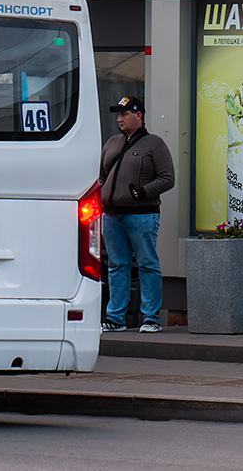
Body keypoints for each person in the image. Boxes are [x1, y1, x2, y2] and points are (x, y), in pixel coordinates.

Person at [99, 95, 174, 333]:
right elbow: (102, 176)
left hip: (142, 215)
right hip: (111, 215)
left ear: (138, 115)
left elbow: (167, 178)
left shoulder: (154, 144)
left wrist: (141, 193)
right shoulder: (112, 143)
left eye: (124, 114)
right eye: (118, 115)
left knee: (147, 264)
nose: (119, 119)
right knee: (116, 266)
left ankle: (151, 317)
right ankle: (115, 316)